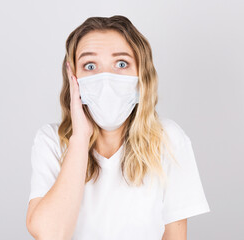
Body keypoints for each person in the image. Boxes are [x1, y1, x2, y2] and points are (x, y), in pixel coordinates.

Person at [25, 15, 210, 240]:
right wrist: (80, 139)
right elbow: (50, 234)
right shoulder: (51, 141)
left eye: (121, 64)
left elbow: (175, 236)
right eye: (90, 66)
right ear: (73, 77)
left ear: (141, 74)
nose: (106, 79)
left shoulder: (168, 140)